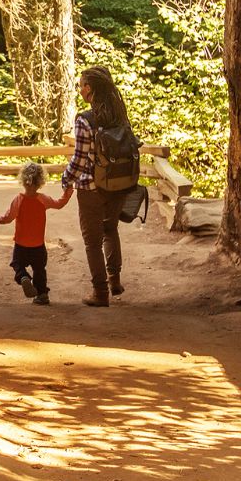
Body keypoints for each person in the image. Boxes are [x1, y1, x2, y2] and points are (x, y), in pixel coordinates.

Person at [62, 66, 138, 307]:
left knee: (92, 241)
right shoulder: (119, 114)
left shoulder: (85, 119)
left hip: (91, 188)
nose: (80, 89)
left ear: (89, 89)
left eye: (82, 84)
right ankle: (114, 280)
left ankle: (100, 292)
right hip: (118, 183)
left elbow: (80, 158)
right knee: (110, 229)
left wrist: (66, 179)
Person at [0, 162, 72, 306]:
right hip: (38, 245)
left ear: (23, 180)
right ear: (41, 182)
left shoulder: (19, 200)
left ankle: (23, 277)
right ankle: (42, 295)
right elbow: (59, 204)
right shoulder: (43, 199)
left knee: (17, 264)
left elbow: (9, 217)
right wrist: (68, 191)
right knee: (40, 270)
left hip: (21, 244)